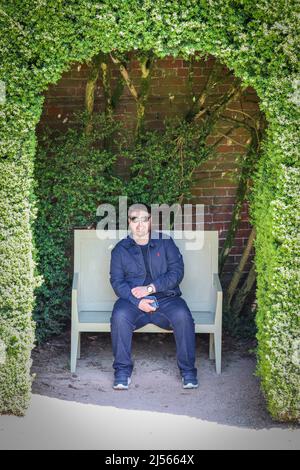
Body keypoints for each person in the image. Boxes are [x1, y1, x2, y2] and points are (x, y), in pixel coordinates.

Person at [109, 203, 198, 390]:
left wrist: (150, 288)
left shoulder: (165, 242)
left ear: (150, 221)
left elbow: (177, 272)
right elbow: (117, 282)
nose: (140, 225)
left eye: (144, 219)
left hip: (166, 297)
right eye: (135, 219)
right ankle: (122, 371)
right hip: (132, 302)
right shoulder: (120, 249)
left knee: (183, 316)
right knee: (119, 317)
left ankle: (188, 371)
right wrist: (137, 301)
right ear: (129, 222)